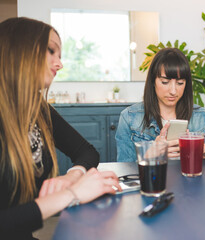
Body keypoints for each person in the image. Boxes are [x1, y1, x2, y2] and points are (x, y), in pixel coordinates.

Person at [0, 17, 121, 239]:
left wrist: (72, 176)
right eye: (50, 51)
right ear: (18, 48)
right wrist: (71, 194)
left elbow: (86, 151)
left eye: (60, 55)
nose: (59, 64)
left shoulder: (38, 109)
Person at [116, 48, 205, 162]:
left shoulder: (201, 116)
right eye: (165, 82)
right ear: (153, 81)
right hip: (152, 179)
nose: (173, 91)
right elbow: (124, 170)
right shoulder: (129, 118)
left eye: (180, 83)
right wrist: (148, 156)